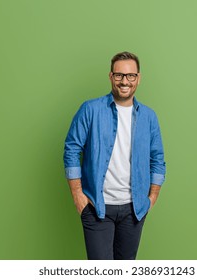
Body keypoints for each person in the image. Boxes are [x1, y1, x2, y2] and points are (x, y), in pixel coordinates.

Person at [63, 51, 166, 260]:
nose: (124, 81)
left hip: (134, 209)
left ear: (138, 78)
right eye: (119, 75)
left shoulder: (148, 117)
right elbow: (72, 148)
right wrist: (77, 195)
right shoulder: (90, 109)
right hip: (96, 207)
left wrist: (151, 197)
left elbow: (157, 159)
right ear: (111, 77)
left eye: (130, 76)